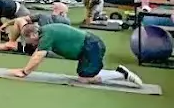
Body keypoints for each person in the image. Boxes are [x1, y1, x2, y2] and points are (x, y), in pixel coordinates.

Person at [11, 22, 141, 85]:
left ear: (34, 34)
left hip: (92, 46)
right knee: (83, 74)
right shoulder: (46, 31)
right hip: (88, 47)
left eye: (27, 39)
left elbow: (38, 56)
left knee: (84, 78)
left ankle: (120, 74)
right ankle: (119, 72)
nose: (28, 42)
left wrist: (24, 72)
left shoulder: (46, 35)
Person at [0, 2, 70, 51]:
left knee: (9, 45)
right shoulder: (66, 21)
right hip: (42, 45)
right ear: (62, 13)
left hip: (38, 45)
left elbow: (22, 19)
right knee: (12, 43)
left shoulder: (42, 15)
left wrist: (7, 24)